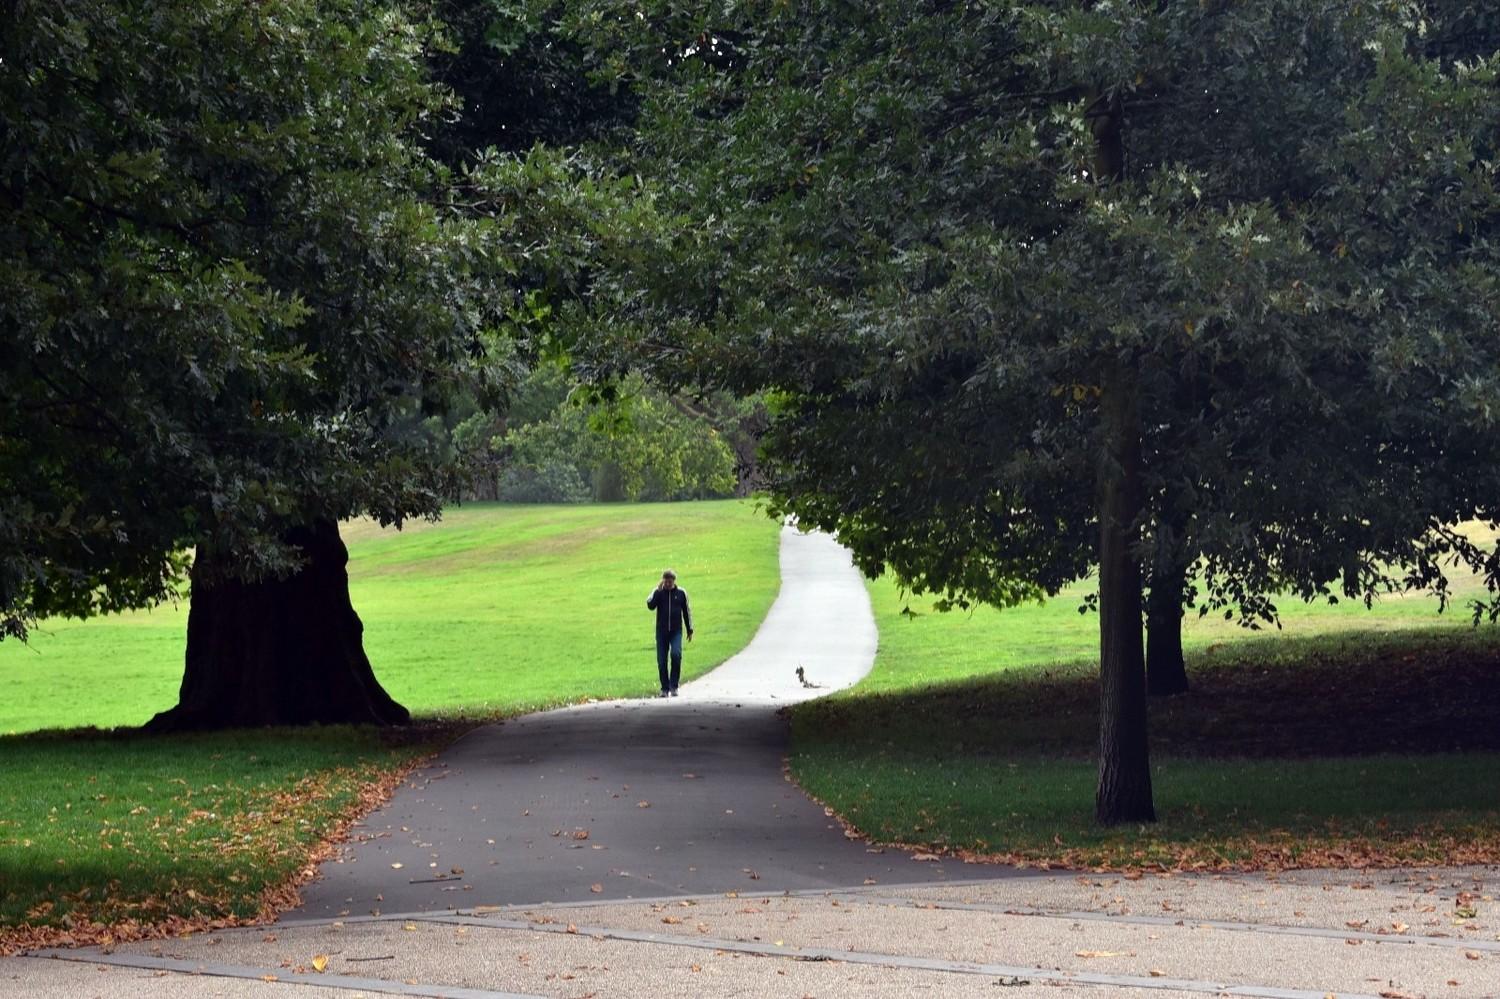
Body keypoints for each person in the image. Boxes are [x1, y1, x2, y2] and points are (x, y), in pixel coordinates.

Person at [646, 568, 693, 697]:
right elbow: (650, 605)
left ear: (674, 581)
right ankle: (664, 688)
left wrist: (690, 629)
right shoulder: (659, 592)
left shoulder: (681, 593)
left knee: (676, 654)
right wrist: (656, 590)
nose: (667, 584)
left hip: (676, 631)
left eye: (670, 581)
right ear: (663, 581)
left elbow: (686, 612)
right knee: (661, 661)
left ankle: (674, 686)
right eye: (665, 581)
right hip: (661, 632)